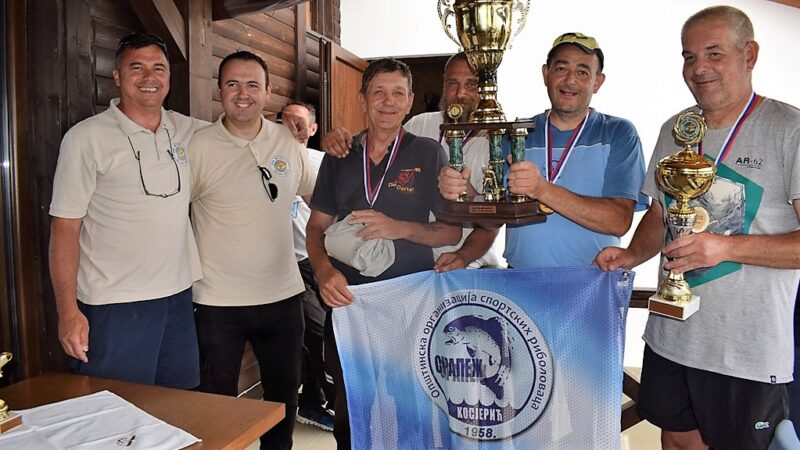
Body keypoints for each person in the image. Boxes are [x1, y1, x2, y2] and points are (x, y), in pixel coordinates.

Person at [595, 6, 800, 449]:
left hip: (745, 351)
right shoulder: (676, 129)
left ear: (749, 55)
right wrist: (632, 254)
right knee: (675, 442)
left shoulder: (790, 129)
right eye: (689, 57)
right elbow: (660, 214)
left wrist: (725, 248)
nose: (698, 68)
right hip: (672, 337)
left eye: (714, 54)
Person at [306, 58, 461, 449]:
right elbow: (316, 228)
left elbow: (451, 231)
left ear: (409, 101)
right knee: (351, 409)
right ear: (363, 99)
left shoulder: (428, 153)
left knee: (410, 407)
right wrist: (323, 273)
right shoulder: (340, 155)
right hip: (349, 301)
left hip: (409, 301)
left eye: (397, 93)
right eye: (378, 92)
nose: (387, 102)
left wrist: (400, 228)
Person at [48, 32, 207, 388]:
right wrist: (67, 311)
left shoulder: (187, 129)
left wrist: (301, 132)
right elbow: (64, 229)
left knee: (179, 404)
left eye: (159, 68)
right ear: (117, 76)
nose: (149, 77)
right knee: (120, 407)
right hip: (115, 303)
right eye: (137, 67)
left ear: (169, 77)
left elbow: (238, 133)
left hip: (177, 297)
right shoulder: (86, 138)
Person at [189, 51, 315, 450]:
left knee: (283, 399)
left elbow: (318, 194)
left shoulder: (287, 140)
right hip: (216, 300)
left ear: (268, 92)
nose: (242, 94)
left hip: (282, 295)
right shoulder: (199, 146)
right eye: (232, 84)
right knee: (216, 405)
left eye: (252, 85)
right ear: (219, 91)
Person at [440, 32, 648, 268]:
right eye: (561, 69)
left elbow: (619, 221)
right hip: (521, 280)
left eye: (582, 72)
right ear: (545, 74)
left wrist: (542, 189)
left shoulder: (618, 132)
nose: (570, 80)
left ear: (597, 82)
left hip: (591, 278)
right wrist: (466, 192)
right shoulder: (517, 133)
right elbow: (494, 221)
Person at [321, 52, 501, 271]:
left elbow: (491, 225)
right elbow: (381, 137)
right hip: (417, 261)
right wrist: (340, 138)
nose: (460, 93)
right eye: (453, 83)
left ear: (486, 89)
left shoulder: (495, 142)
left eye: (471, 84)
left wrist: (462, 256)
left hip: (470, 264)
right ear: (443, 84)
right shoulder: (420, 123)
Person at [280, 101, 335, 431]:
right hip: (288, 263)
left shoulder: (323, 162)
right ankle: (319, 401)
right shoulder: (269, 160)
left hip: (322, 259)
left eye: (299, 122)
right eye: (285, 121)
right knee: (316, 331)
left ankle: (317, 398)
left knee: (328, 329)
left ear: (313, 128)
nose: (292, 127)